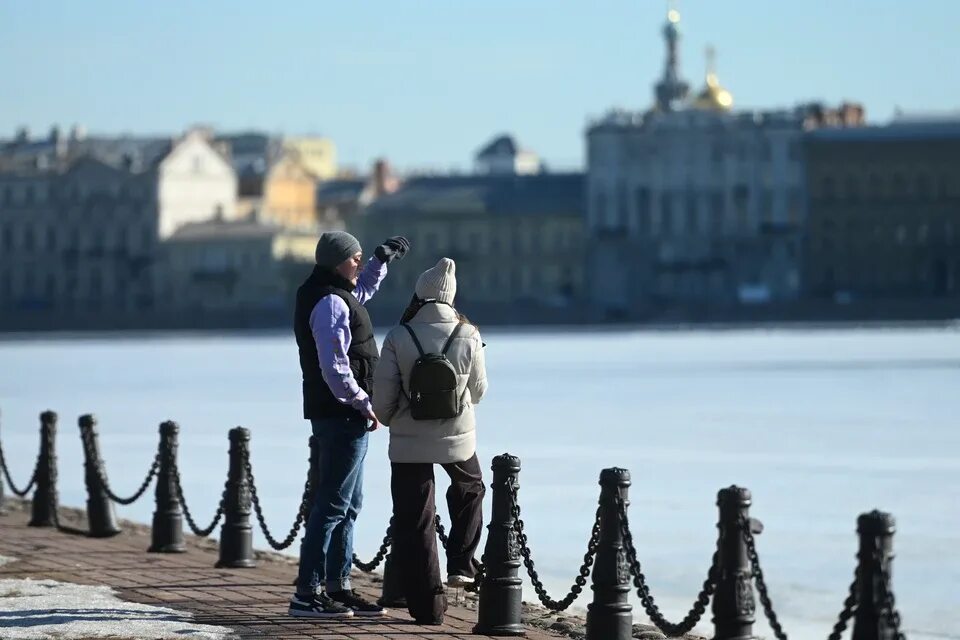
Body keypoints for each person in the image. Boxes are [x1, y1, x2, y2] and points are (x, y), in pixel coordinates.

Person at [289, 230, 410, 619]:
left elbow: (362, 293)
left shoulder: (333, 294)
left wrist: (381, 260)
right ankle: (307, 593)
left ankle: (338, 586)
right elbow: (335, 367)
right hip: (341, 414)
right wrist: (362, 402)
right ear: (336, 261)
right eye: (355, 258)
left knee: (349, 504)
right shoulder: (327, 303)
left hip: (345, 415)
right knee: (332, 505)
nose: (359, 263)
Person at [372, 257, 488, 625]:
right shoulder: (468, 334)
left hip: (408, 440)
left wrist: (397, 422)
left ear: (420, 294)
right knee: (470, 488)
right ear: (451, 298)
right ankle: (462, 564)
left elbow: (382, 401)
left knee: (415, 520)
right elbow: (479, 391)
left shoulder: (398, 335)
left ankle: (428, 609)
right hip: (458, 437)